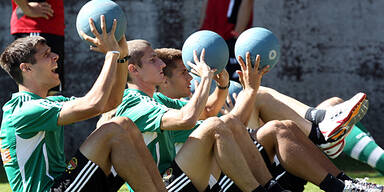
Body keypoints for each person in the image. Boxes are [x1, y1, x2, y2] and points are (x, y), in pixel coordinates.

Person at [153, 48, 384, 192]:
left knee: (283, 127)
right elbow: (223, 127)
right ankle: (320, 135)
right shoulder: (161, 107)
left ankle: (343, 182)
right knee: (263, 104)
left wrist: (224, 85)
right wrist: (250, 90)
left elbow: (214, 114)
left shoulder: (181, 105)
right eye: (184, 72)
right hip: (206, 181)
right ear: (164, 80)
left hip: (223, 171)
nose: (190, 77)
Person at [0, 16, 166, 192]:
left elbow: (110, 102)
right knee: (114, 128)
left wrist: (122, 57)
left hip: (64, 184)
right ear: (26, 68)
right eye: (46, 55)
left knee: (125, 124)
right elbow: (94, 104)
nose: (56, 56)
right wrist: (111, 55)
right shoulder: (22, 109)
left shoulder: (45, 103)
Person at [114, 39, 294, 192]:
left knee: (228, 121)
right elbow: (187, 118)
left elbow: (205, 111)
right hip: (161, 186)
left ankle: (272, 187)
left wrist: (222, 86)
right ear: (134, 70)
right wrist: (206, 78)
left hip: (173, 178)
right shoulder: (133, 101)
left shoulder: (156, 100)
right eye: (153, 60)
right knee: (215, 126)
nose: (161, 64)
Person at [11, 0, 65, 94]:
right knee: (35, 88)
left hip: (53, 27)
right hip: (35, 25)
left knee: (53, 89)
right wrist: (26, 8)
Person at [200, 0, 254, 81]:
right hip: (208, 36)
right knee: (206, 82)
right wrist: (202, 29)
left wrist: (236, 35)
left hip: (229, 37)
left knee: (234, 85)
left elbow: (247, 2)